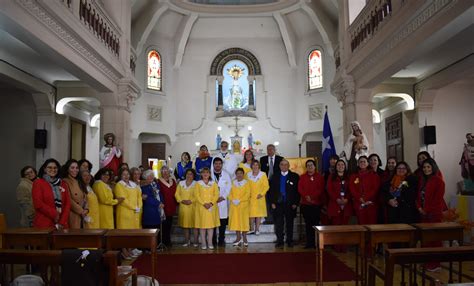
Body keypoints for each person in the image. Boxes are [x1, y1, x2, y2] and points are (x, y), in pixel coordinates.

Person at [417, 158, 445, 272]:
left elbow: (437, 200)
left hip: (434, 214)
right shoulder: (422, 180)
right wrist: (419, 207)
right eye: (424, 167)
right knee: (425, 239)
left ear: (433, 167)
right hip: (423, 214)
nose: (426, 169)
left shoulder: (439, 181)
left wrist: (426, 210)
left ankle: (435, 264)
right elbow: (418, 197)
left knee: (435, 239)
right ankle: (426, 261)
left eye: (428, 167)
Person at [268, 159, 300, 248]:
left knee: (290, 223)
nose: (284, 166)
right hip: (278, 204)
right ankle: (280, 241)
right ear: (279, 166)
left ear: (288, 166)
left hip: (290, 204)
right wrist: (272, 202)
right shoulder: (274, 176)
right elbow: (271, 191)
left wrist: (295, 203)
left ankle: (289, 240)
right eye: (282, 164)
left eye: (286, 164)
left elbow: (297, 191)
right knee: (279, 223)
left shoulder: (294, 176)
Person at [32, 159, 71, 229]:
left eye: (55, 168)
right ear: (44, 169)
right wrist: (55, 214)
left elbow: (67, 204)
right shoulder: (38, 182)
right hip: (44, 223)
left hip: (61, 224)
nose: (53, 169)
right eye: (49, 167)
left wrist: (62, 221)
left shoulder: (63, 184)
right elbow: (38, 203)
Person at [298, 159, 325, 249]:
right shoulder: (302, 177)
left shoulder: (319, 177)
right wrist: (306, 196)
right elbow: (300, 188)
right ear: (306, 167)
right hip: (305, 204)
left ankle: (316, 242)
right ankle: (309, 243)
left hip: (316, 204)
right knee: (308, 224)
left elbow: (320, 189)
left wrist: (312, 197)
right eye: (308, 165)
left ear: (315, 166)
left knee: (316, 224)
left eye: (311, 165)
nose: (310, 167)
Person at [327, 159, 352, 252]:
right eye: (338, 165)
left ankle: (344, 246)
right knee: (336, 226)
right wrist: (337, 199)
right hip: (335, 204)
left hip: (346, 204)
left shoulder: (349, 177)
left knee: (345, 227)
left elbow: (351, 190)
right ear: (336, 166)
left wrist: (347, 199)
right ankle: (337, 246)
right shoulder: (331, 177)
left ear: (345, 167)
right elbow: (329, 189)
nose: (340, 166)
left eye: (342, 165)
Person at [349, 156, 380, 224]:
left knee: (372, 224)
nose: (362, 163)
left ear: (368, 163)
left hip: (371, 203)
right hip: (359, 202)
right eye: (360, 162)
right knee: (361, 224)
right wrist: (359, 198)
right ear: (358, 164)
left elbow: (375, 189)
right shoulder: (353, 176)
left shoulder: (374, 175)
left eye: (364, 161)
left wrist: (365, 197)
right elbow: (352, 189)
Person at [195, 167, 220, 250]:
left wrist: (211, 203)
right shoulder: (198, 183)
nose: (205, 174)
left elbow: (216, 194)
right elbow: (196, 195)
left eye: (207, 172)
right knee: (202, 226)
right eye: (203, 172)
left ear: (209, 174)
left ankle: (210, 242)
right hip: (201, 207)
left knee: (210, 226)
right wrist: (203, 203)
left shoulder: (214, 183)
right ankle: (203, 243)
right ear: (201, 174)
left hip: (211, 207)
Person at [260, 144, 283, 223]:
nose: (269, 151)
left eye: (271, 149)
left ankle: (275, 218)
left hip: (276, 184)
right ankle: (268, 218)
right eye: (268, 149)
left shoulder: (280, 159)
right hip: (265, 183)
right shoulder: (262, 159)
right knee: (267, 201)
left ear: (274, 150)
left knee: (275, 201)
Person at [211, 157, 232, 247]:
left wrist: (223, 197)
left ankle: (221, 240)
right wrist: (214, 198)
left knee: (222, 223)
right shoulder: (209, 174)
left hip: (222, 201)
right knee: (213, 223)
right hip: (212, 202)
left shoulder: (226, 175)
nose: (218, 165)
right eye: (216, 163)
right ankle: (213, 240)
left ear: (222, 165)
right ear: (213, 164)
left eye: (219, 163)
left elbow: (229, 187)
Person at [175, 169, 198, 247]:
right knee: (185, 225)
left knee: (195, 225)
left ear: (193, 175)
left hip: (193, 206)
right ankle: (186, 241)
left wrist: (191, 201)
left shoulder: (196, 184)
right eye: (188, 174)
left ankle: (195, 241)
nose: (189, 175)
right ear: (185, 175)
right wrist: (181, 200)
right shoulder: (181, 183)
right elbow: (177, 194)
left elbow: (198, 195)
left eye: (191, 174)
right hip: (183, 206)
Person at [62, 159, 87, 229]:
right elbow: (68, 199)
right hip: (73, 213)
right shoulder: (65, 181)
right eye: (72, 168)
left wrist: (86, 209)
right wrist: (81, 211)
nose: (75, 170)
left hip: (83, 214)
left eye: (77, 168)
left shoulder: (79, 181)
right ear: (67, 169)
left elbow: (85, 197)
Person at [229, 168, 251, 247]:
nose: (239, 175)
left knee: (244, 221)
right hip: (234, 206)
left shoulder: (246, 183)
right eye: (237, 173)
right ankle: (238, 237)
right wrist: (232, 199)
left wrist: (240, 200)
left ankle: (244, 237)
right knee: (236, 221)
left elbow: (248, 194)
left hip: (243, 205)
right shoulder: (232, 183)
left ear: (243, 174)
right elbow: (229, 193)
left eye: (241, 173)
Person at [247, 160, 269, 235]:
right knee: (251, 214)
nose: (255, 166)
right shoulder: (248, 174)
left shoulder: (263, 174)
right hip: (250, 197)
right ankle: (251, 229)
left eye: (257, 165)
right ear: (251, 166)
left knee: (258, 214)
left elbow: (266, 186)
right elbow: (246, 185)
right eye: (253, 165)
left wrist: (262, 194)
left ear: (259, 166)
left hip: (259, 197)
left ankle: (257, 229)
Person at [158, 166, 177, 247]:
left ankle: (168, 240)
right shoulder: (158, 181)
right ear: (161, 172)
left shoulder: (172, 181)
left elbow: (176, 192)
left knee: (169, 224)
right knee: (163, 225)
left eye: (167, 171)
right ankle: (162, 241)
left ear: (169, 172)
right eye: (163, 171)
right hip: (163, 206)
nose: (165, 173)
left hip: (171, 205)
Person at [321, 154, 339, 226]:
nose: (332, 161)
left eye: (334, 159)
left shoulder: (341, 172)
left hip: (337, 198)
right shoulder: (325, 173)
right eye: (331, 159)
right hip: (327, 198)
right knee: (326, 220)